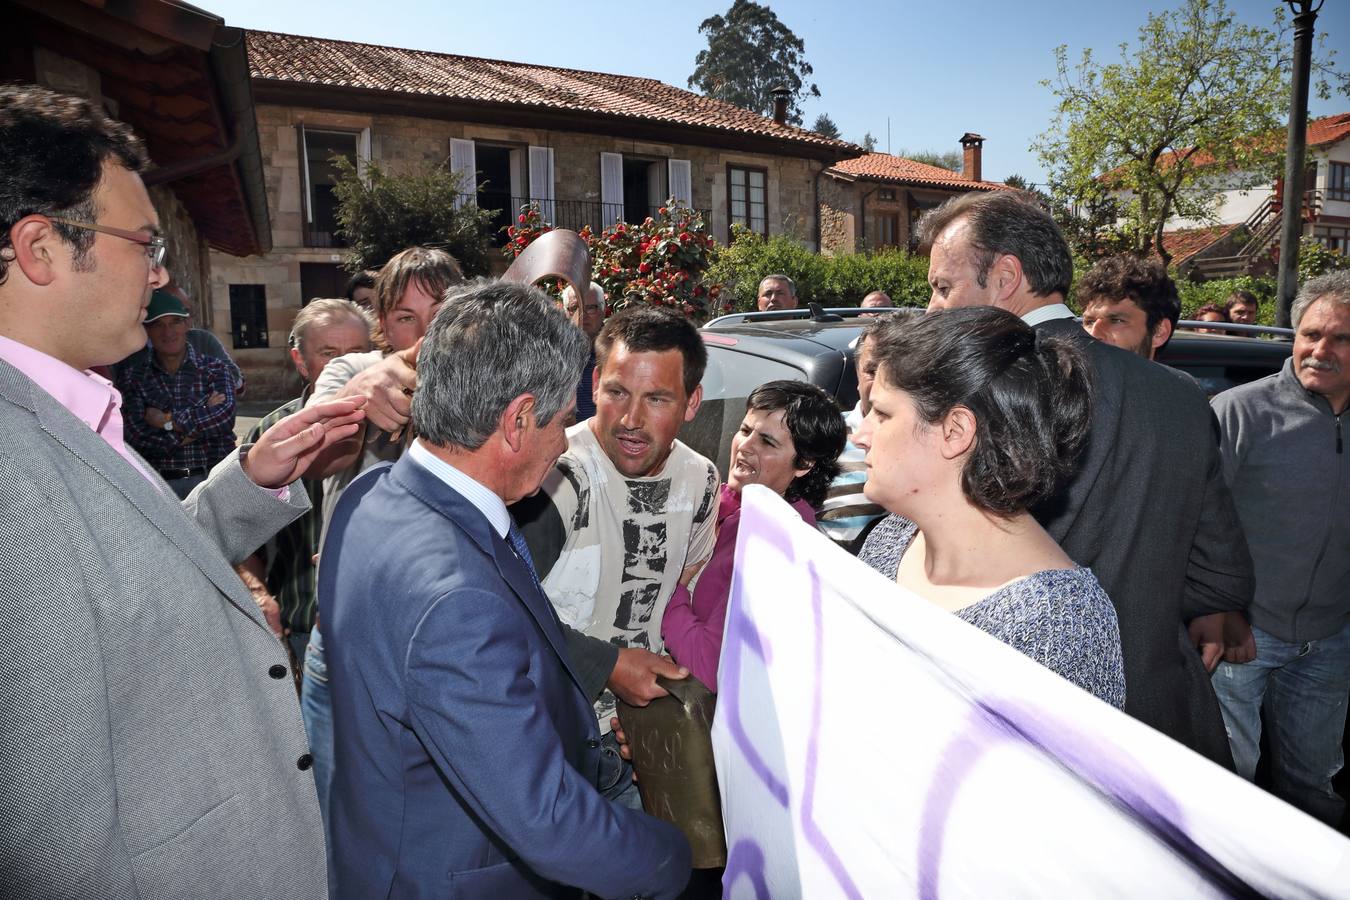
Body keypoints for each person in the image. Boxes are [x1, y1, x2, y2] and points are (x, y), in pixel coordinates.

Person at [0, 83, 363, 900]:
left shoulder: (73, 407)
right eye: (143, 244)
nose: (160, 275)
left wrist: (248, 483)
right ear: (41, 248)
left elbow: (121, 574)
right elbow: (48, 842)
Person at [321, 280, 691, 898]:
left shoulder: (371, 496)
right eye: (561, 422)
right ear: (519, 420)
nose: (563, 444)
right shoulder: (455, 601)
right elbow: (546, 822)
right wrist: (672, 858)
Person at [918, 190, 1253, 766]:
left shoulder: (972, 395)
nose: (932, 309)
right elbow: (1222, 576)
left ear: (1004, 277)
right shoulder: (1179, 394)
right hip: (1154, 724)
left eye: (943, 286)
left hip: (1013, 729)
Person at [855, 308, 1125, 705]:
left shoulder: (1059, 623)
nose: (861, 434)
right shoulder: (890, 539)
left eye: (881, 413)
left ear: (956, 431)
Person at [513, 304, 720, 805]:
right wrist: (608, 665)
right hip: (545, 743)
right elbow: (498, 611)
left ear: (692, 403)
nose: (631, 419)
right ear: (595, 382)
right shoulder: (557, 475)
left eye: (657, 399)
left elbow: (680, 602)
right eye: (617, 393)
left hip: (637, 745)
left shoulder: (701, 481)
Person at [301, 245, 464, 826]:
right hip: (345, 649)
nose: (424, 330)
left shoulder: (481, 387)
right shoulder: (351, 372)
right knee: (334, 821)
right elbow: (310, 453)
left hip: (444, 654)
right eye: (404, 317)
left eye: (440, 310)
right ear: (382, 324)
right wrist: (367, 390)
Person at [1210, 271, 1350, 827]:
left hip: (1331, 641)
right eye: (1311, 334)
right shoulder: (1240, 411)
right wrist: (1219, 610)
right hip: (1242, 634)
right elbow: (1197, 521)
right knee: (1228, 787)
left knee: (1314, 788)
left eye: (1341, 338)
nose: (1321, 349)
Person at [663, 380, 844, 689]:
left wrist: (672, 585)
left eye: (767, 442)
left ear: (804, 464)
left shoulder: (779, 545)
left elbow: (707, 664)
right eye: (745, 430)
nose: (745, 446)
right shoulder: (718, 499)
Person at [239, 298, 373, 663]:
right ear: (300, 361)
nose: (345, 366)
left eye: (357, 352)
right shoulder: (269, 433)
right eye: (329, 353)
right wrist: (257, 594)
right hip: (300, 632)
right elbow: (240, 533)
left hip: (378, 633)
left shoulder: (396, 431)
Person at [117, 289, 238, 498]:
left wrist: (166, 420)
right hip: (160, 488)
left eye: (174, 322)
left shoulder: (215, 369)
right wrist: (199, 417)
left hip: (215, 480)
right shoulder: (134, 377)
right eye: (158, 325)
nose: (168, 332)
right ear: (147, 330)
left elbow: (224, 418)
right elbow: (136, 437)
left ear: (186, 324)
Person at [817, 322, 889, 552]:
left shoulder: (937, 445)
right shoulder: (822, 437)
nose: (883, 382)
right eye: (872, 371)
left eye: (894, 370)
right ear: (857, 372)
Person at [118, 284, 244, 392]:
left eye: (184, 314)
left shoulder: (202, 341)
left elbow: (236, 382)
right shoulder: (132, 354)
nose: (168, 331)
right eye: (159, 322)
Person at [1079, 255, 1181, 360]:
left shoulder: (1175, 377)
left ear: (1159, 332)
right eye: (1089, 322)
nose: (1094, 334)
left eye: (1116, 321)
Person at [562, 281, 605, 420]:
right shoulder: (554, 356)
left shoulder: (617, 354)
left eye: (590, 308)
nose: (582, 314)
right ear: (565, 312)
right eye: (575, 307)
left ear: (603, 310)